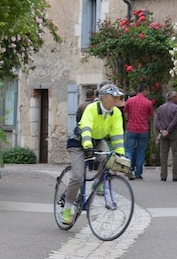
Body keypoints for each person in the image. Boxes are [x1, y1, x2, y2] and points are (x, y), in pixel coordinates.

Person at [62, 82, 126, 225]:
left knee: (108, 158)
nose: (115, 100)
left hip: (97, 140)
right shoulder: (91, 108)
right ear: (103, 97)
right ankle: (66, 209)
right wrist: (87, 145)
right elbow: (86, 127)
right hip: (78, 142)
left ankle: (97, 183)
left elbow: (117, 133)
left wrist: (120, 152)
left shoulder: (115, 112)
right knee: (78, 176)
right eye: (112, 97)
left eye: (117, 98)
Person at [122, 84, 154, 180]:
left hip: (131, 128)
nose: (148, 93)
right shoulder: (148, 103)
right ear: (144, 90)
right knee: (141, 152)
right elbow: (149, 117)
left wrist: (129, 120)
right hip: (143, 129)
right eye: (147, 91)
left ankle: (128, 168)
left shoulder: (130, 101)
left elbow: (126, 115)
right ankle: (138, 173)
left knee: (129, 150)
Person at [154, 90, 177, 182]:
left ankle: (163, 175)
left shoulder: (160, 108)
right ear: (173, 98)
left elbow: (157, 121)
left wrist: (162, 130)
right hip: (173, 132)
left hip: (163, 133)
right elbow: (174, 121)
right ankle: (175, 175)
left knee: (163, 153)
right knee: (175, 153)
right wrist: (168, 130)